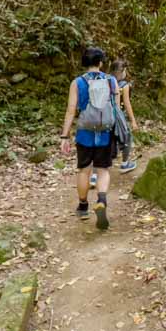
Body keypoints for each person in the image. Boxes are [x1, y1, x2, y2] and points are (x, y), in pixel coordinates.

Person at [60, 46, 119, 231]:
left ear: (85, 62)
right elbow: (116, 108)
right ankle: (101, 200)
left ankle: (83, 206)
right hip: (105, 132)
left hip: (85, 132)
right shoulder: (111, 81)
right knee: (103, 170)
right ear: (100, 62)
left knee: (84, 171)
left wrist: (65, 135)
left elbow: (71, 110)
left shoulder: (77, 83)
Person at [110, 59, 139, 173]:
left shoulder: (106, 80)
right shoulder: (124, 85)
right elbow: (126, 103)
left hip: (105, 116)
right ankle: (125, 163)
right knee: (127, 137)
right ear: (122, 71)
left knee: (107, 141)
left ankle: (95, 174)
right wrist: (133, 121)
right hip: (119, 116)